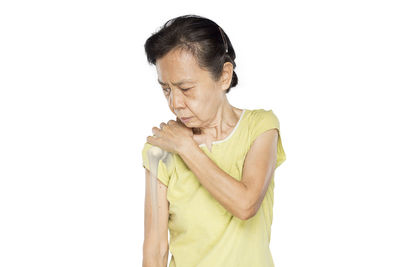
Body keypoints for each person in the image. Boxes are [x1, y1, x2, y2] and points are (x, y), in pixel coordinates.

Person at [141, 14, 286, 267]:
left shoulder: (260, 128)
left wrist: (187, 148)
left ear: (224, 76)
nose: (175, 103)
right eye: (166, 89)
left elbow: (246, 204)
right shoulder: (160, 151)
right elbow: (155, 251)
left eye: (185, 89)